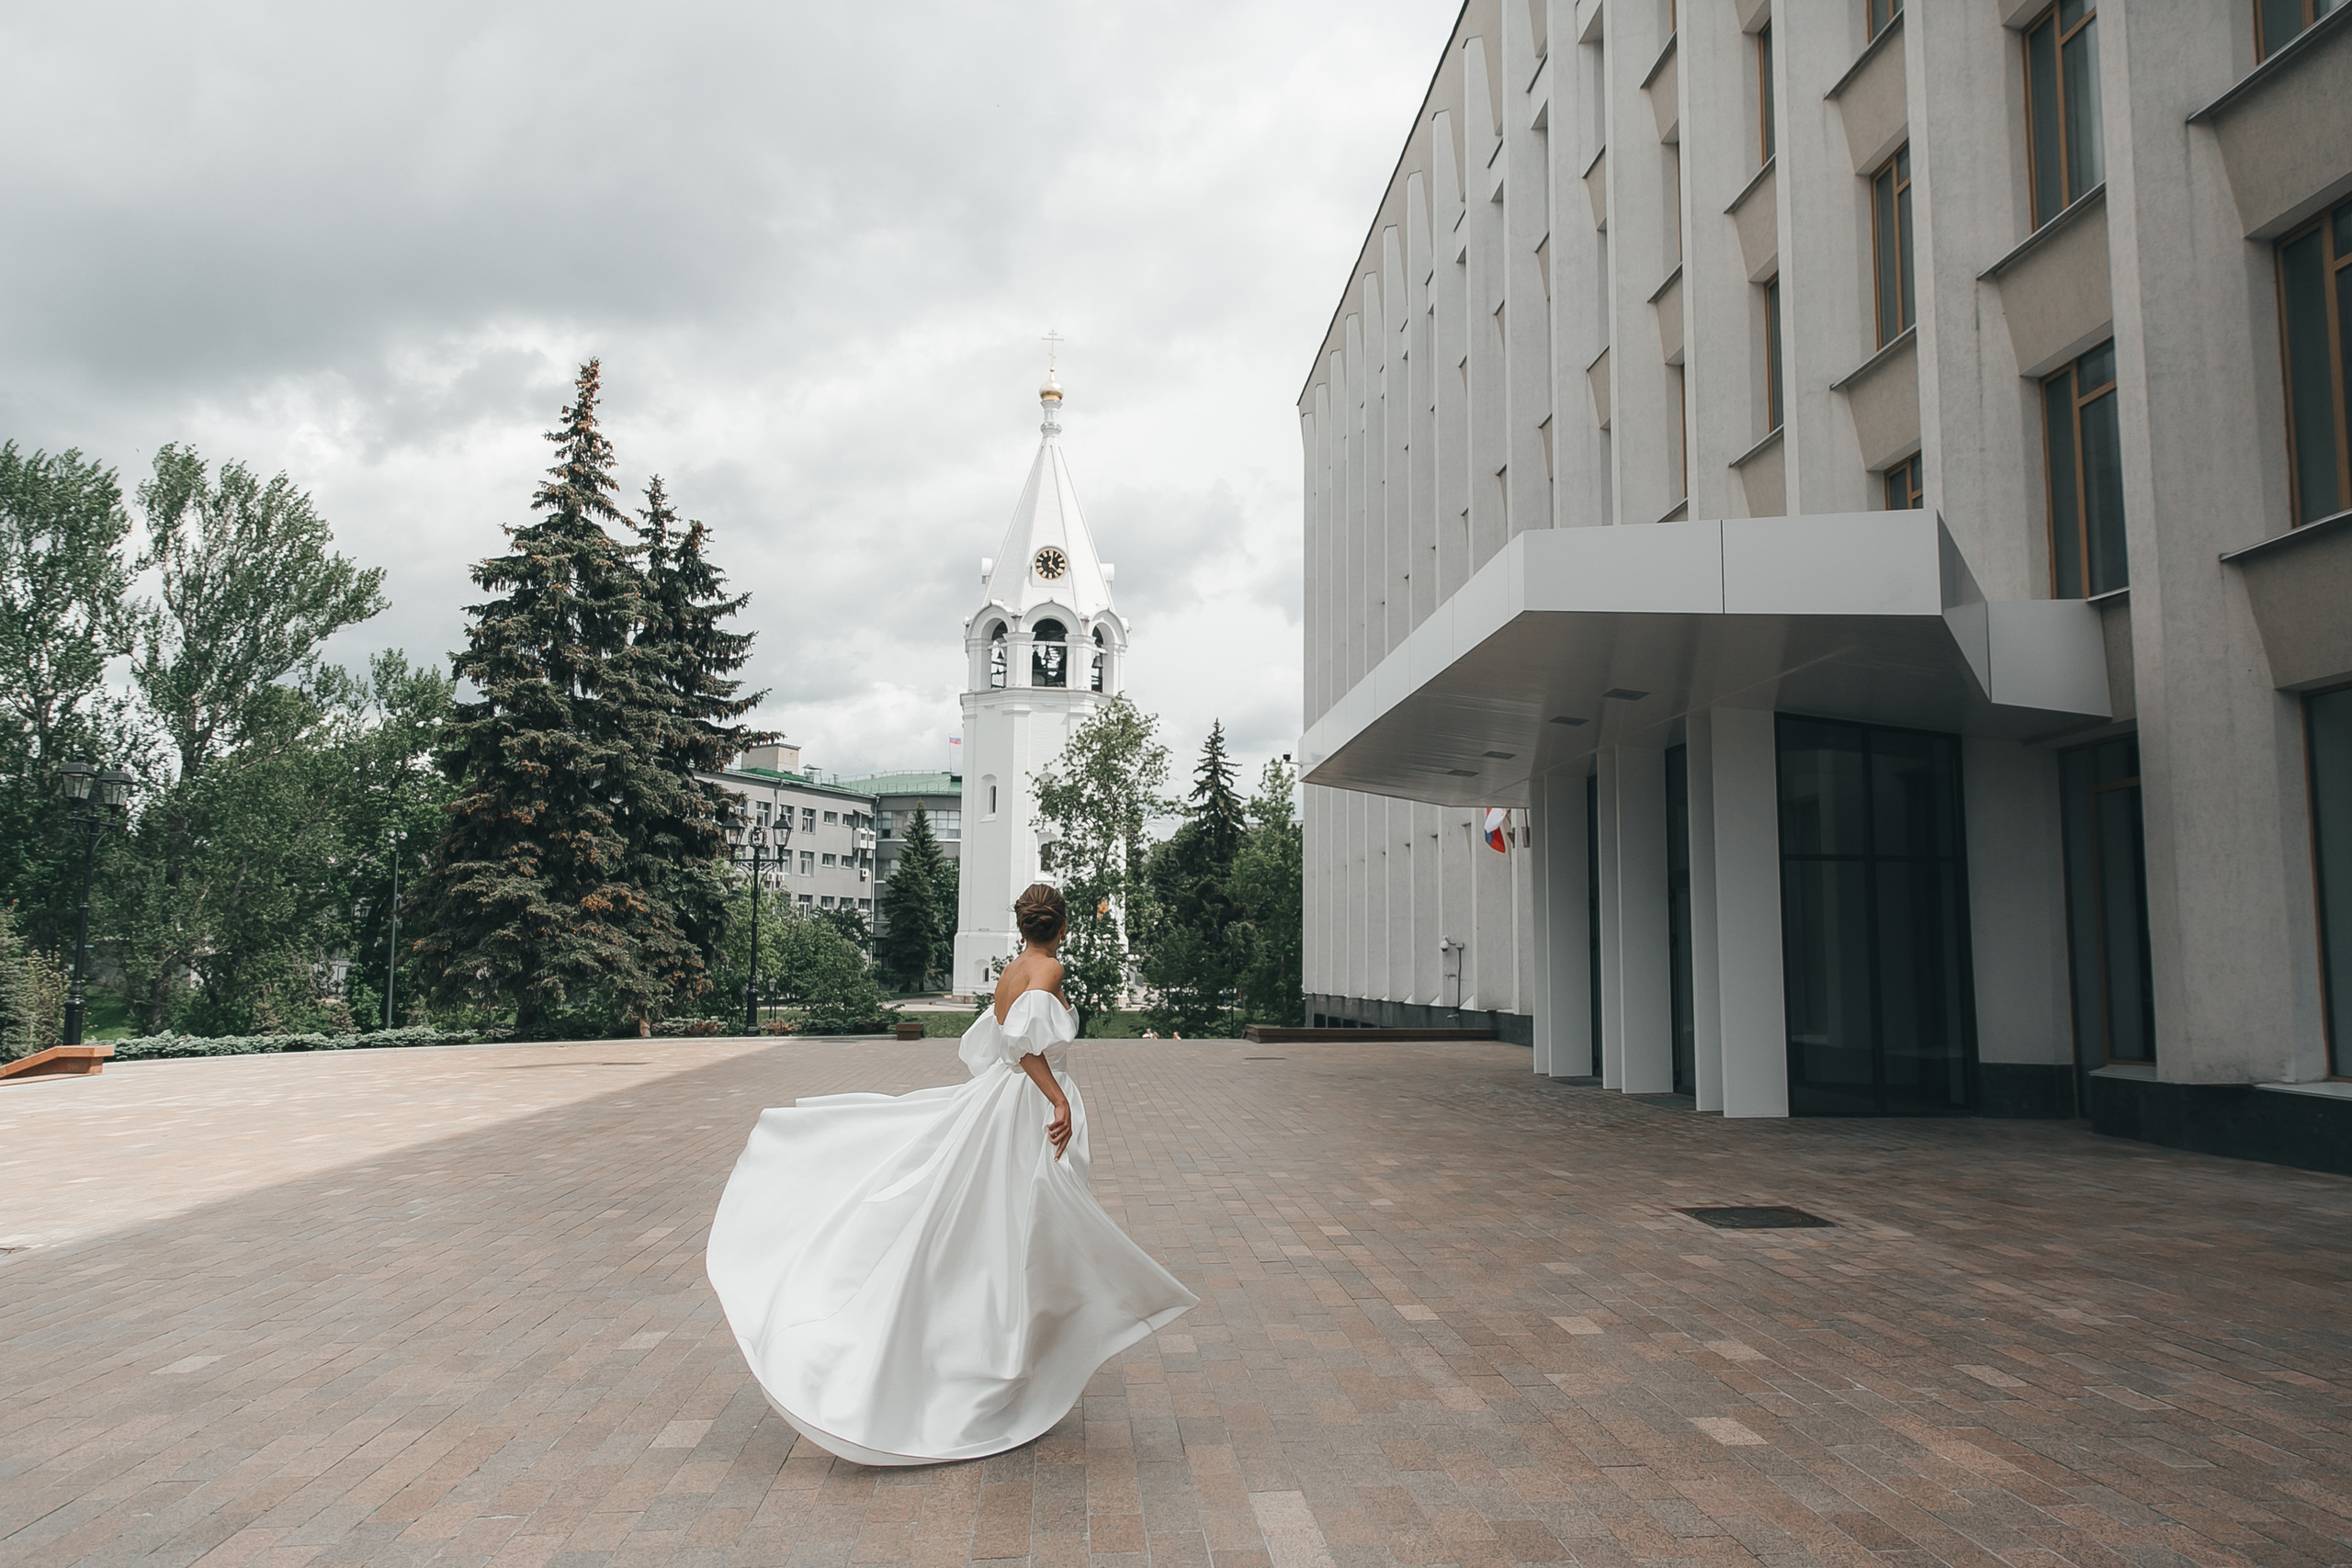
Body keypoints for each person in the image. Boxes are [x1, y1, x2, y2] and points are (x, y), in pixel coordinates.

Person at [707, 882, 1195, 1466]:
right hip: (1028, 1109)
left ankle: (1018, 1341)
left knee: (1005, 1218)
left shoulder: (1010, 970)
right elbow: (1021, 1046)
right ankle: (1012, 1351)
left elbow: (990, 1042)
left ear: (1023, 927)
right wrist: (1057, 1100)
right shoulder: (1051, 970)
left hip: (1002, 1101)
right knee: (1027, 1220)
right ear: (1060, 927)